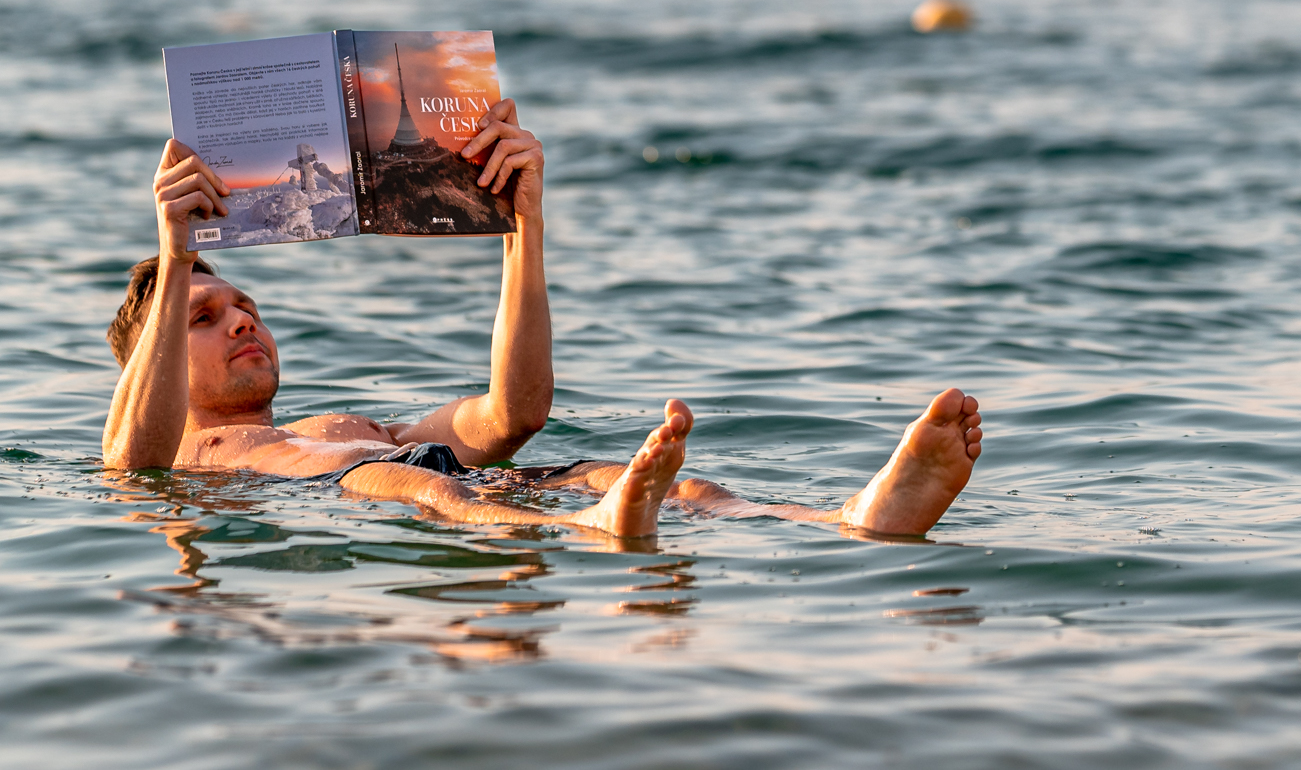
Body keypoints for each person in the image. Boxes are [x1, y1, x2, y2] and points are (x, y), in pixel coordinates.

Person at [103, 100, 982, 539]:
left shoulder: (343, 424)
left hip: (428, 474)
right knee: (419, 484)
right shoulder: (183, 454)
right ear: (153, 368)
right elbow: (128, 463)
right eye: (205, 317)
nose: (241, 321)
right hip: (385, 491)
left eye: (246, 304)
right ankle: (590, 533)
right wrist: (176, 252)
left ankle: (849, 517)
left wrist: (525, 225)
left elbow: (510, 413)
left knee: (631, 474)